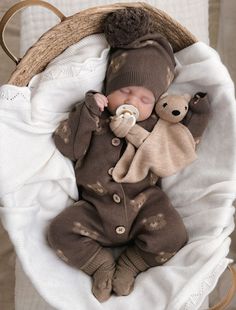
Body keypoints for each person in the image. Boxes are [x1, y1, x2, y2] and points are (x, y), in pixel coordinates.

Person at [47, 8, 210, 302]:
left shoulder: (156, 126)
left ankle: (132, 263)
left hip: (145, 205)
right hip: (94, 209)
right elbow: (67, 146)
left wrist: (198, 112)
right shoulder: (95, 118)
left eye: (144, 98)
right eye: (125, 91)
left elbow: (184, 144)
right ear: (109, 89)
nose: (132, 101)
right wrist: (88, 111)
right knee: (58, 232)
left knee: (174, 236)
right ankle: (99, 263)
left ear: (156, 102)